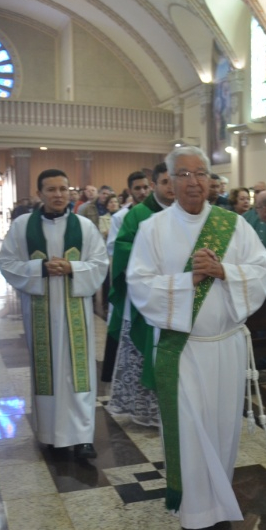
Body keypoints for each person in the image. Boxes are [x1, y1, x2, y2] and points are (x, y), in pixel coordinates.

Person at [126, 146, 266, 530]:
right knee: (191, 435)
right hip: (182, 350)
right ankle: (196, 523)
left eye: (201, 174)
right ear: (168, 181)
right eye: (183, 174)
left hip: (225, 348)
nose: (193, 182)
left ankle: (216, 505)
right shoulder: (154, 229)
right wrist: (191, 277)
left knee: (223, 430)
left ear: (211, 180)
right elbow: (140, 285)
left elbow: (261, 271)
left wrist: (226, 271)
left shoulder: (234, 225)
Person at [0, 169, 109, 459]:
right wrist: (40, 268)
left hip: (76, 314)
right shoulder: (23, 226)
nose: (58, 195)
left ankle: (83, 436)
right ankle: (49, 434)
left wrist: (73, 268)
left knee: (78, 373)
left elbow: (100, 263)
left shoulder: (84, 226)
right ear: (40, 194)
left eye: (63, 189)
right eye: (51, 190)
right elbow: (7, 263)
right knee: (47, 372)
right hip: (40, 313)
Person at [106, 162, 172, 426]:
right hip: (145, 296)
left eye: (174, 180)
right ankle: (146, 409)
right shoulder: (138, 214)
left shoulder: (190, 212)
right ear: (155, 185)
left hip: (180, 294)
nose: (171, 187)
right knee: (143, 351)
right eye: (165, 182)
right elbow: (122, 250)